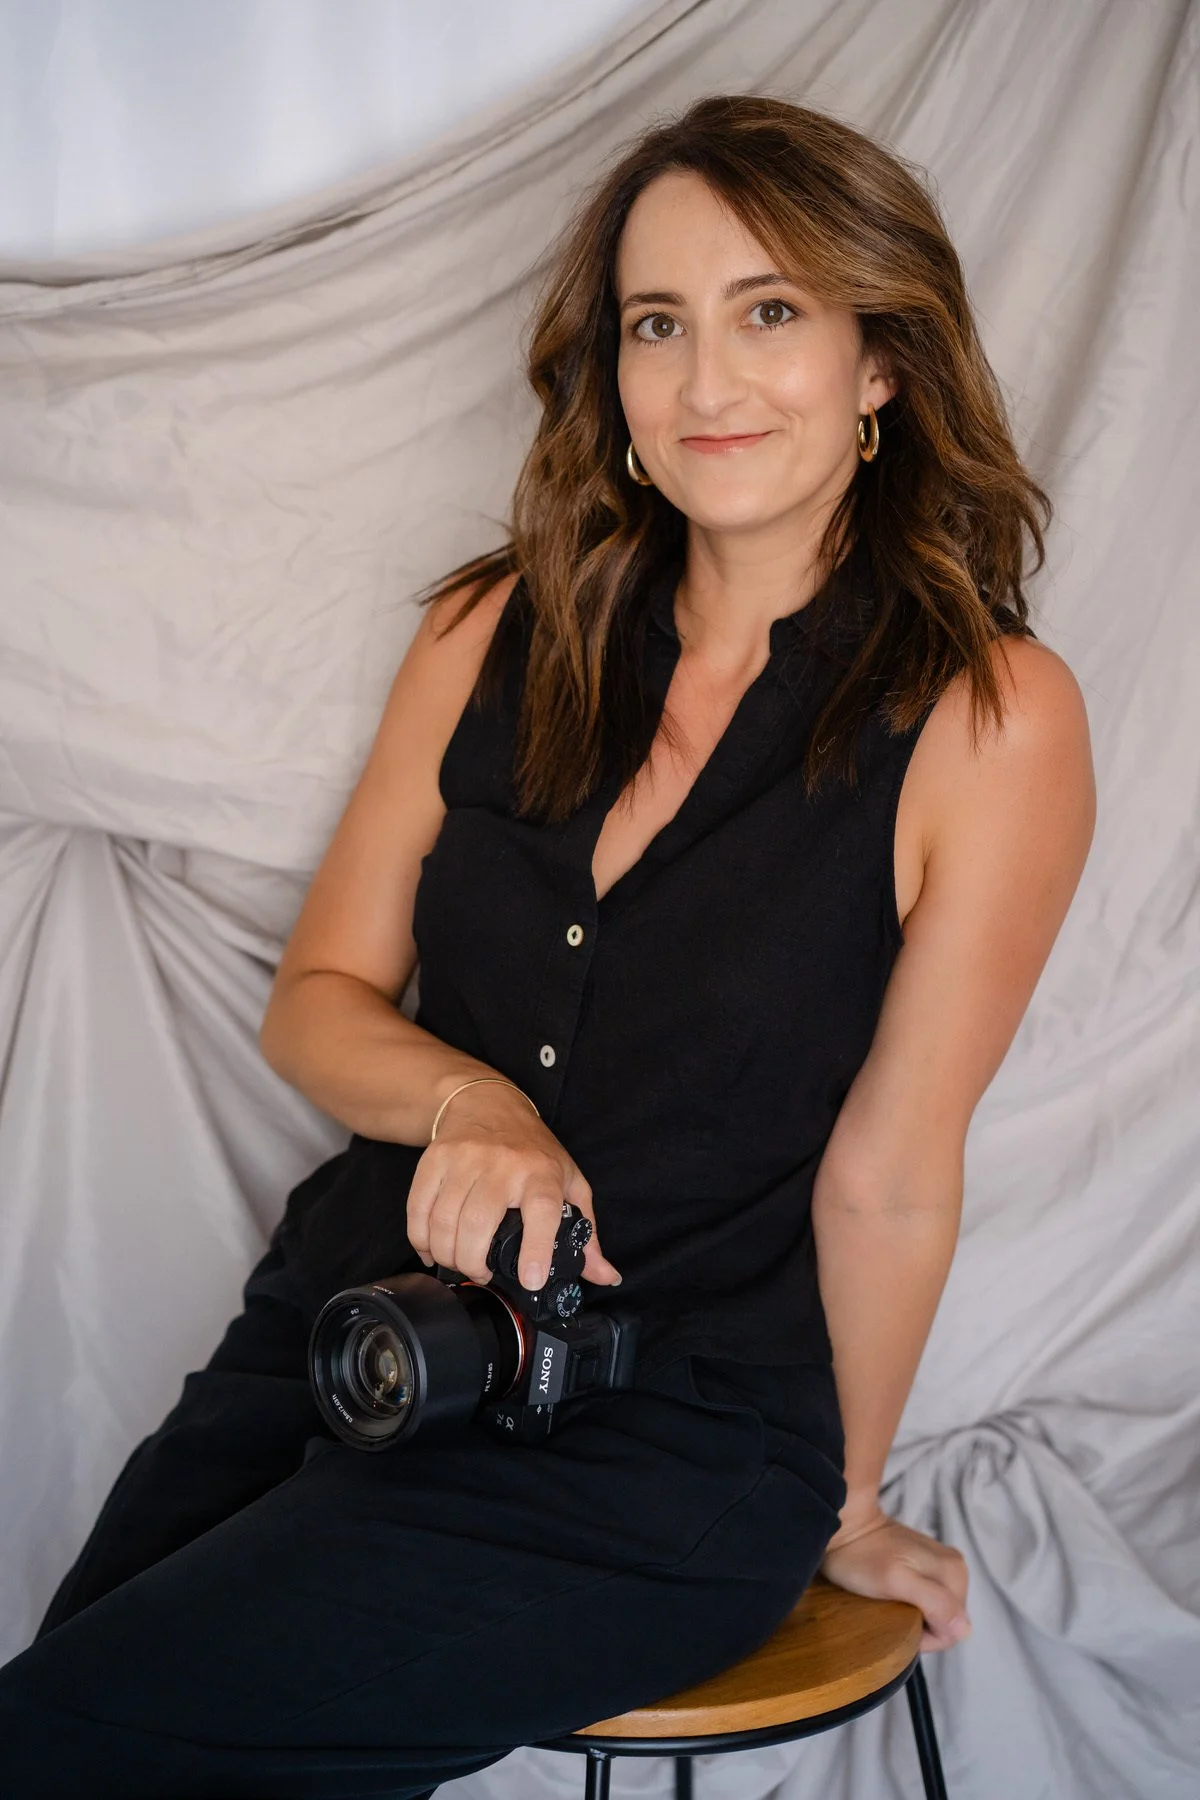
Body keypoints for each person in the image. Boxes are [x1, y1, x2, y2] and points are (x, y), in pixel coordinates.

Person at [0, 94, 1095, 1797]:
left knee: (80, 1749)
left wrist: (847, 1501)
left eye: (773, 311)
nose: (710, 381)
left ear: (884, 361)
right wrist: (473, 1108)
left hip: (667, 1432)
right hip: (355, 1334)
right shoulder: (489, 625)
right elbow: (319, 1005)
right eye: (660, 324)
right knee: (60, 1706)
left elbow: (887, 1174)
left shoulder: (989, 717)